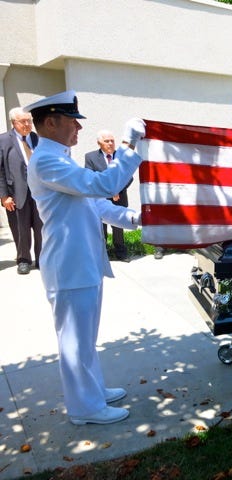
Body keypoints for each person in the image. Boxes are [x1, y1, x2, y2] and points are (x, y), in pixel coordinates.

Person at [25, 90, 145, 425]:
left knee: (86, 337)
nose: (78, 129)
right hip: (69, 265)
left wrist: (135, 219)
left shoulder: (61, 159)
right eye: (73, 122)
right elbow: (104, 184)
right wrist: (128, 145)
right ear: (51, 122)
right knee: (74, 341)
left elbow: (96, 205)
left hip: (83, 262)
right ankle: (84, 408)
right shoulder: (46, 161)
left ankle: (91, 391)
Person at [0, 107, 42, 274]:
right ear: (13, 123)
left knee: (41, 228)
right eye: (23, 121)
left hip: (39, 193)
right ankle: (23, 259)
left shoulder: (37, 139)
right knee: (20, 228)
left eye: (29, 121)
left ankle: (42, 259)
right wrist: (4, 196)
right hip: (16, 192)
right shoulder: (3, 140)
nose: (27, 124)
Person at [85, 130, 133, 262]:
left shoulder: (121, 156)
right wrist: (109, 191)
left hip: (119, 197)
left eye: (112, 140)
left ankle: (121, 253)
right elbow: (91, 177)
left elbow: (128, 176)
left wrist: (117, 190)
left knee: (118, 227)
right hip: (100, 198)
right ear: (99, 143)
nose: (110, 143)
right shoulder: (90, 157)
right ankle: (102, 254)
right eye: (107, 141)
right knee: (101, 227)